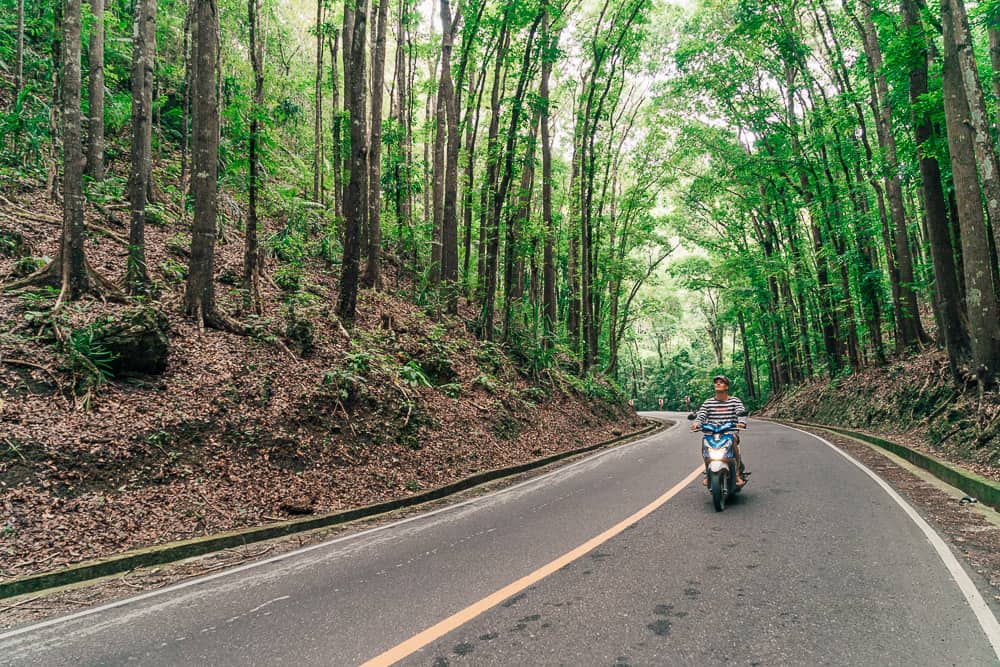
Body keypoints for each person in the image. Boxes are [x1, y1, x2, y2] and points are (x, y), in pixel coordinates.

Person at [690, 374, 747, 487]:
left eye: (721, 382)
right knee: (704, 443)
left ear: (726, 387)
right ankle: (707, 472)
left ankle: (737, 474)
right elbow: (701, 415)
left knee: (733, 440)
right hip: (712, 433)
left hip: (730, 432)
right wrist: (696, 424)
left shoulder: (735, 401)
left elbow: (741, 412)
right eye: (716, 382)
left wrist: (742, 423)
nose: (718, 383)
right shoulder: (708, 402)